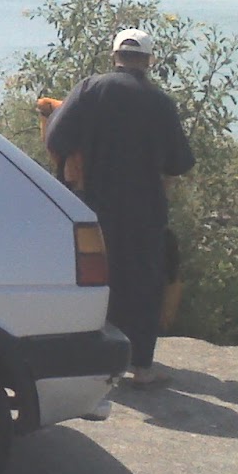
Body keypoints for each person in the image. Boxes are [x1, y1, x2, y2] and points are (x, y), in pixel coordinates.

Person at [45, 28, 194, 388]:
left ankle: (95, 365)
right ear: (149, 61)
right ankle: (141, 367)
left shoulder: (89, 89)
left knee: (95, 280)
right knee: (142, 283)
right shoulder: (160, 103)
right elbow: (180, 162)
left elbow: (56, 138)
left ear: (115, 57)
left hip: (92, 205)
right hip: (144, 210)